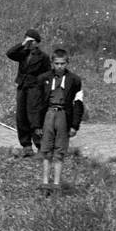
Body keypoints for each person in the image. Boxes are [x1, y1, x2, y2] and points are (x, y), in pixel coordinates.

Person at [35, 48, 85, 196]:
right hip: (48, 115)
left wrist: (74, 125)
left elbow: (78, 104)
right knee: (46, 150)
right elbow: (37, 103)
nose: (59, 66)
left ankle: (56, 184)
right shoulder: (43, 79)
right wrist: (37, 124)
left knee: (60, 151)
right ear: (52, 63)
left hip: (64, 115)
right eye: (57, 63)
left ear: (67, 63)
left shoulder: (74, 80)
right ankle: (45, 183)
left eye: (62, 63)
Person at [6, 30, 52, 157]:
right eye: (28, 40)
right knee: (21, 116)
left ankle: (40, 146)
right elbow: (9, 53)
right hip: (22, 86)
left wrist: (44, 91)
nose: (30, 44)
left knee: (35, 117)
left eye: (32, 41)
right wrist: (23, 44)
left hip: (35, 89)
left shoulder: (43, 57)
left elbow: (48, 75)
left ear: (37, 43)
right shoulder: (22, 53)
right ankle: (26, 146)